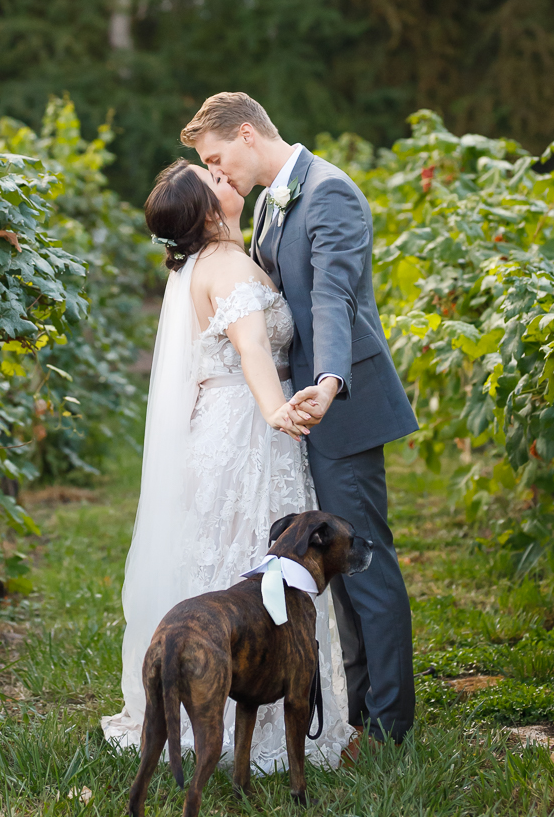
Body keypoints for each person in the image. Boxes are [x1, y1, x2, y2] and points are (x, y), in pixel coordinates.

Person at [101, 159, 355, 773]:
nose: (224, 175)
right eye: (211, 177)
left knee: (220, 550)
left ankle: (201, 692)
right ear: (208, 212)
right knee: (255, 555)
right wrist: (275, 412)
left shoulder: (203, 267)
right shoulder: (232, 268)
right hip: (245, 428)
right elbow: (250, 350)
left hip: (216, 426)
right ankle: (265, 714)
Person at [181, 93, 418, 749]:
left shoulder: (331, 192)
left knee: (364, 562)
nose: (217, 173)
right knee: (331, 567)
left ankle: (390, 726)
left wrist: (330, 381)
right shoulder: (266, 203)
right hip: (297, 416)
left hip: (338, 407)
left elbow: (334, 297)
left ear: (250, 133)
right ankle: (358, 710)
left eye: (217, 158)